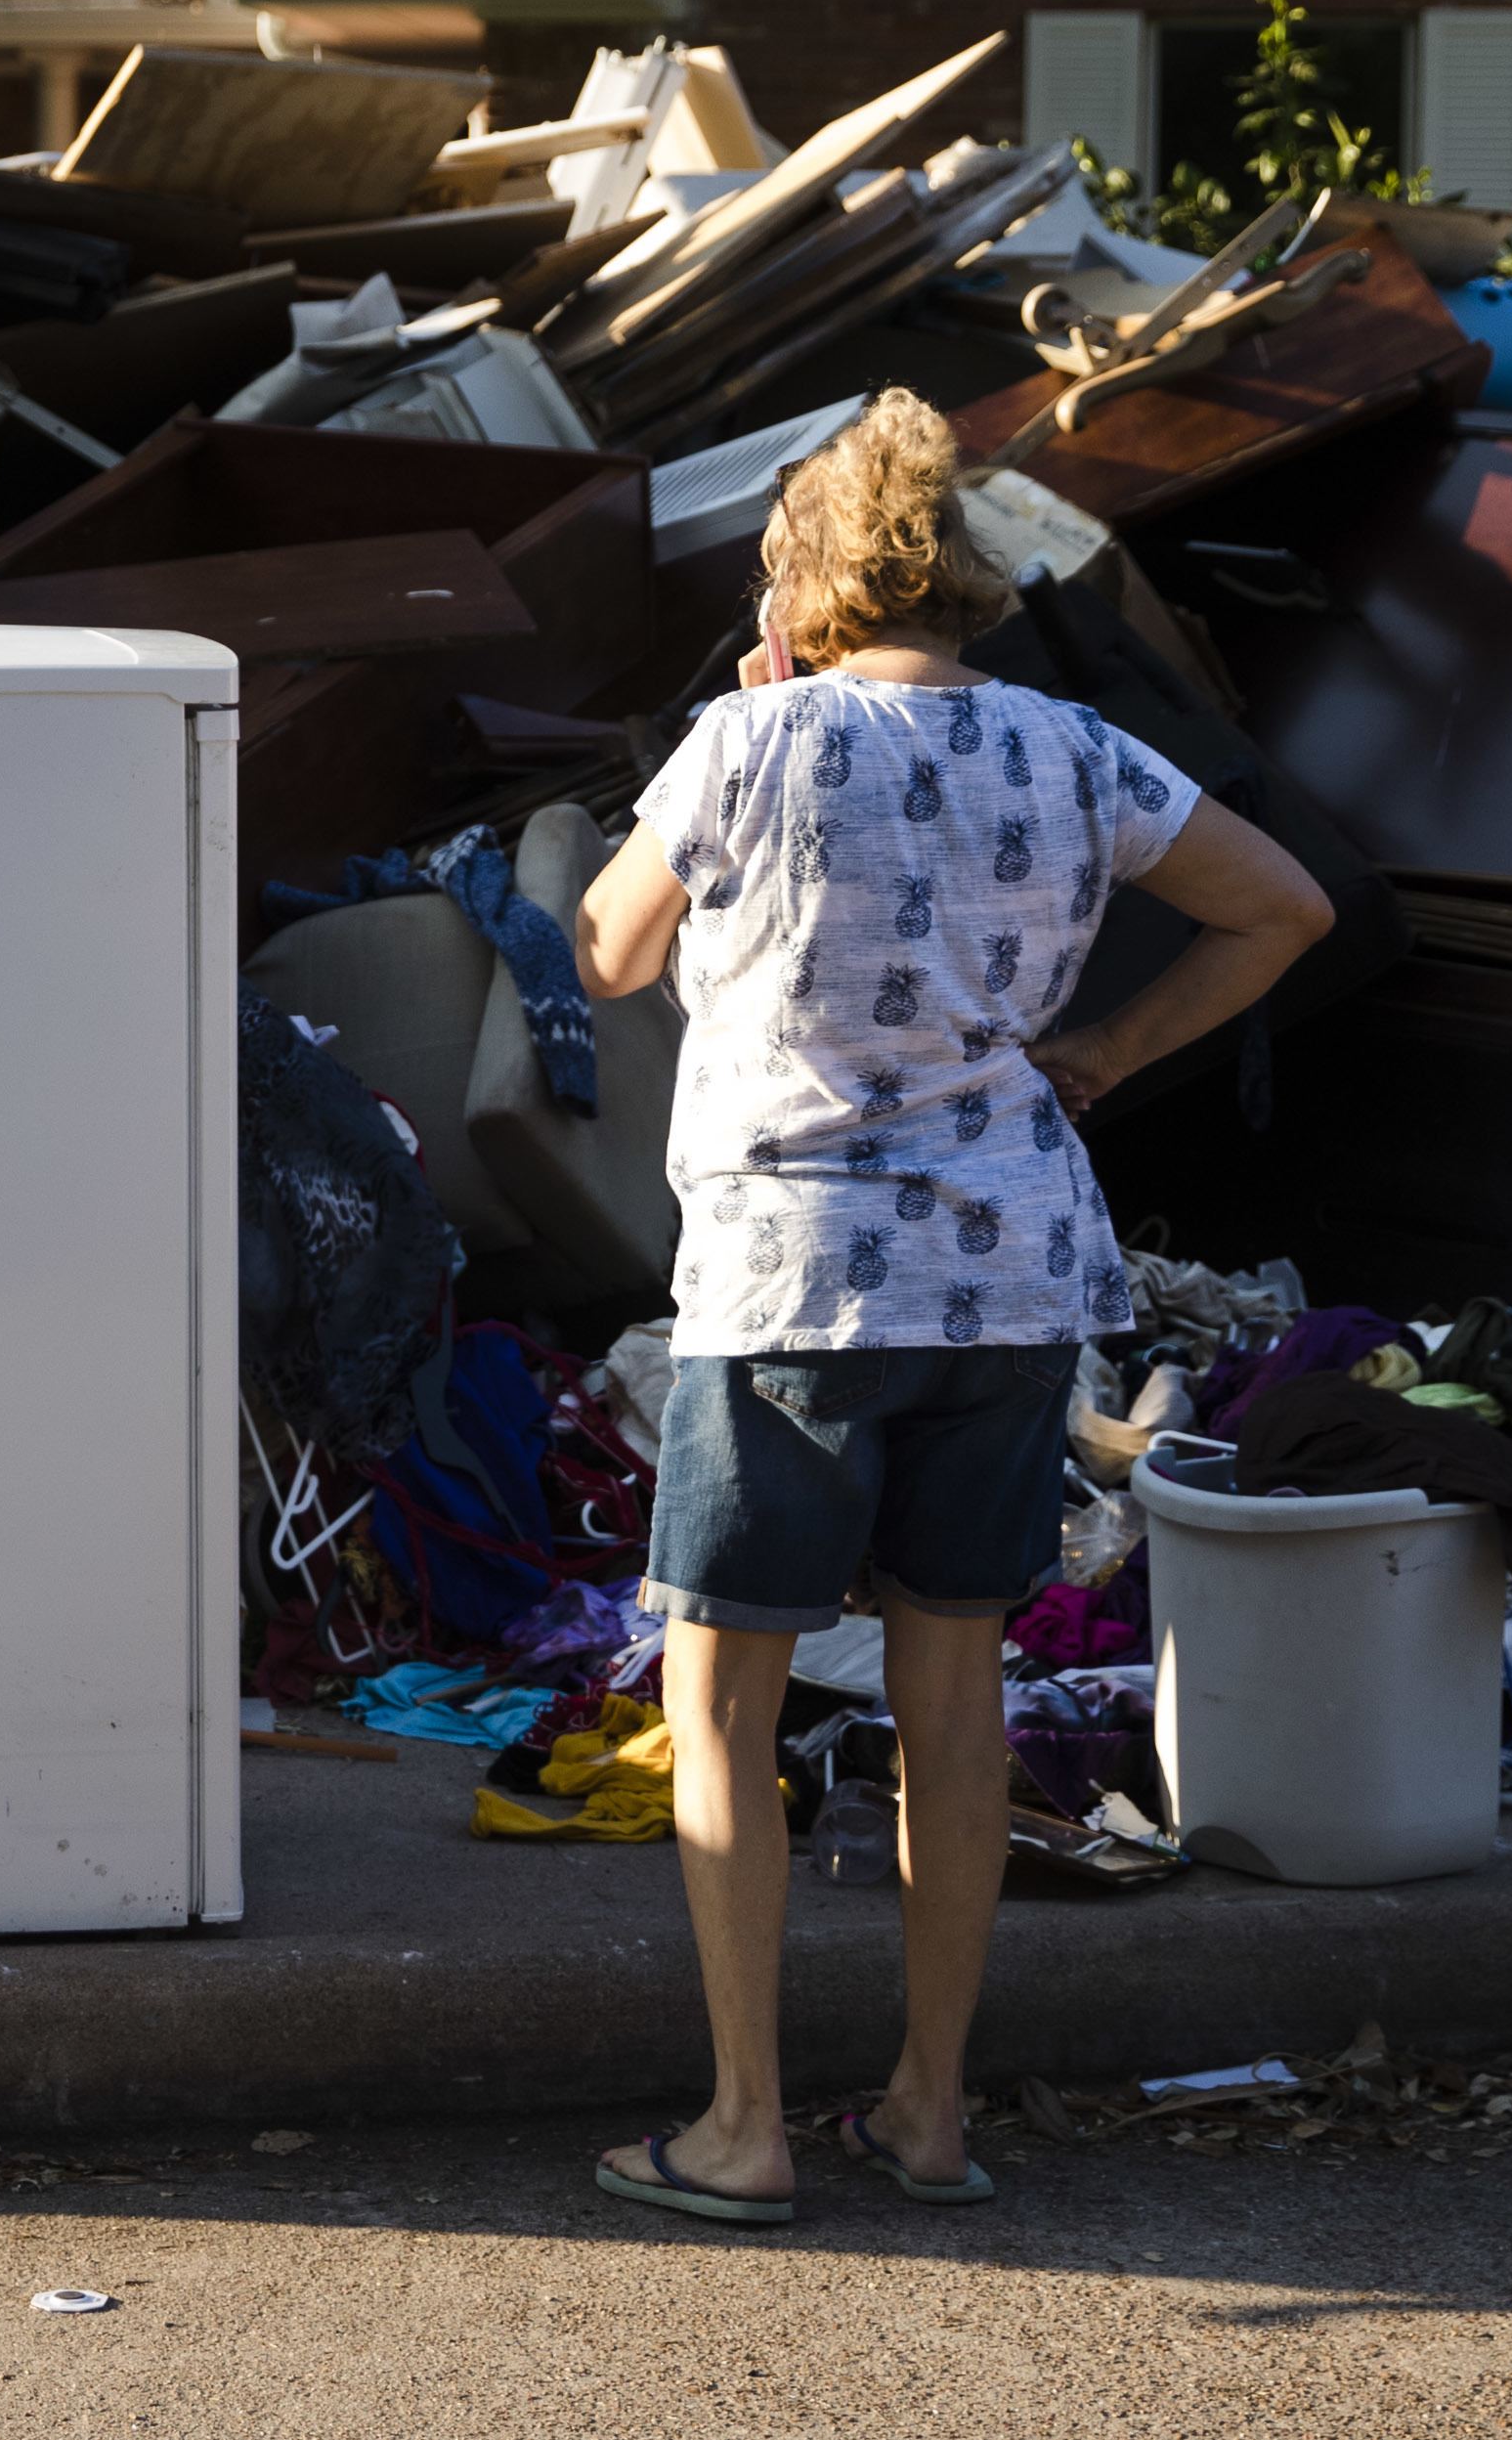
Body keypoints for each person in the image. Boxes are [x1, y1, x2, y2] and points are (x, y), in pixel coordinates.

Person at [571, 391, 1331, 2222]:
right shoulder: (1074, 749)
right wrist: (1099, 1051)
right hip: (1003, 1281)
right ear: (967, 580)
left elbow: (607, 944)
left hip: (788, 1287)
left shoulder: (747, 740)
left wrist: (750, 721)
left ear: (801, 582)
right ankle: (927, 2109)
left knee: (729, 1705)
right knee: (955, 1699)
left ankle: (743, 2125)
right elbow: (1285, 904)